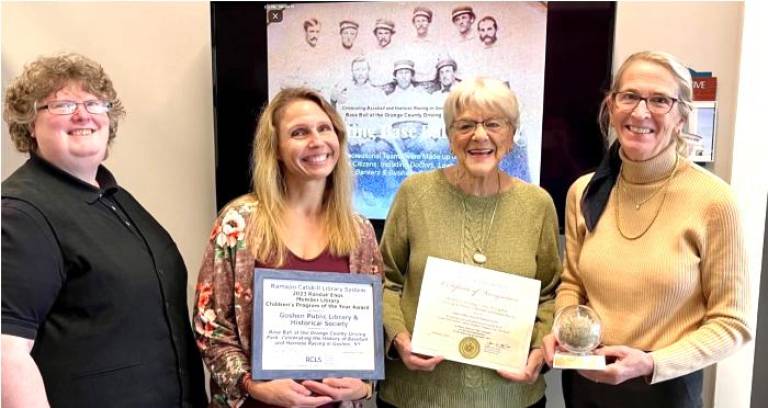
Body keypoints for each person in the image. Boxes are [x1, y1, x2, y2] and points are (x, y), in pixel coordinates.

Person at [542, 50, 752, 407]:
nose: (641, 112)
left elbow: (732, 323)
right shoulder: (584, 191)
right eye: (630, 96)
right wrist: (563, 327)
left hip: (664, 387)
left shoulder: (714, 200)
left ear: (682, 117)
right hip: (587, 384)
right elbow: (573, 283)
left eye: (660, 100)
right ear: (611, 106)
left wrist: (652, 363)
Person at [1, 53, 206, 407]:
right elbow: (7, 355)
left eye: (94, 103)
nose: (83, 114)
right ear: (30, 124)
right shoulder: (20, 214)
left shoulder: (115, 198)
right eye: (63, 105)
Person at [193, 88, 383, 408]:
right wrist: (252, 385)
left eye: (325, 129)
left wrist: (364, 387)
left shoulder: (359, 232)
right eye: (299, 132)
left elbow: (373, 326)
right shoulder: (239, 223)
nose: (317, 141)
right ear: (277, 149)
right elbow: (211, 325)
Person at [378, 77, 562, 407]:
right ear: (449, 137)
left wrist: (538, 349)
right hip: (417, 396)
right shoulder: (414, 193)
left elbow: (549, 292)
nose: (479, 136)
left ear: (512, 134)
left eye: (494, 124)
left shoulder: (538, 204)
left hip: (510, 397)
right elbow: (385, 280)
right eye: (465, 125)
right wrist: (399, 338)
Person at [368, 19, 398, 87]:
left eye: (386, 33)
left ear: (391, 34)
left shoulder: (397, 53)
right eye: (380, 33)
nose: (383, 37)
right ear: (376, 35)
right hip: (374, 89)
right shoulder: (370, 54)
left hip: (391, 89)